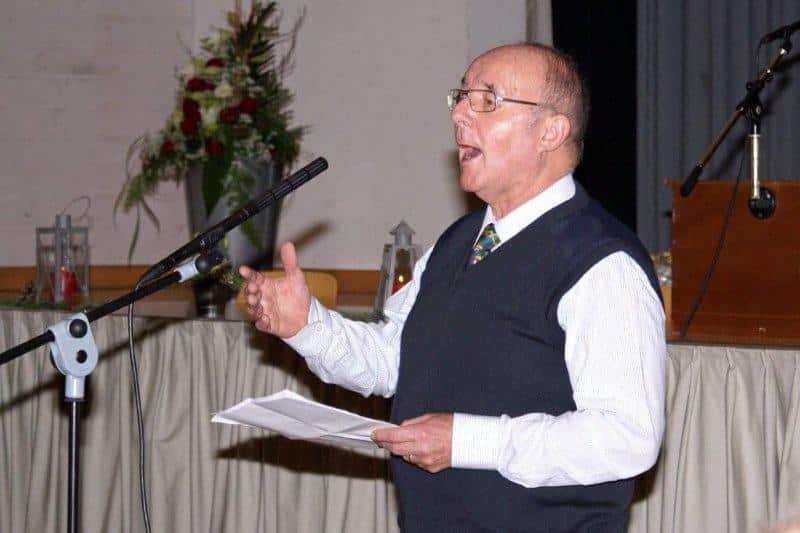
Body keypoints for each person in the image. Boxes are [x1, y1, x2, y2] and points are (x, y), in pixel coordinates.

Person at [240, 43, 666, 532]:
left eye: (487, 100)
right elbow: (394, 361)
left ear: (550, 131)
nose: (460, 114)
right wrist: (306, 325)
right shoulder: (456, 243)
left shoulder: (601, 262)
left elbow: (627, 436)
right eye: (461, 97)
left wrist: (466, 442)